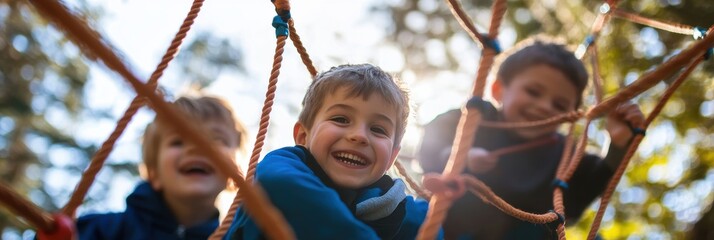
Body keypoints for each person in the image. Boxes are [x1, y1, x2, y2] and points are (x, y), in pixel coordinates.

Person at [418, 40, 645, 239]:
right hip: (449, 226)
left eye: (559, 105)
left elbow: (592, 182)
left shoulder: (562, 153)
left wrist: (617, 143)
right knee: (404, 209)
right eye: (533, 92)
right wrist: (460, 156)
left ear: (571, 116)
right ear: (498, 90)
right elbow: (431, 145)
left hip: (520, 233)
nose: (544, 106)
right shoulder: (477, 118)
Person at [225, 63, 439, 239]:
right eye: (340, 119)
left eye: (378, 129)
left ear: (392, 156)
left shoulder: (396, 205)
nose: (359, 136)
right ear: (303, 136)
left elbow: (428, 224)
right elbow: (284, 188)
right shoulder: (281, 167)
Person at [75, 95, 248, 240]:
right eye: (177, 142)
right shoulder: (99, 231)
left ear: (236, 171)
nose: (197, 146)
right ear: (154, 173)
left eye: (216, 140)